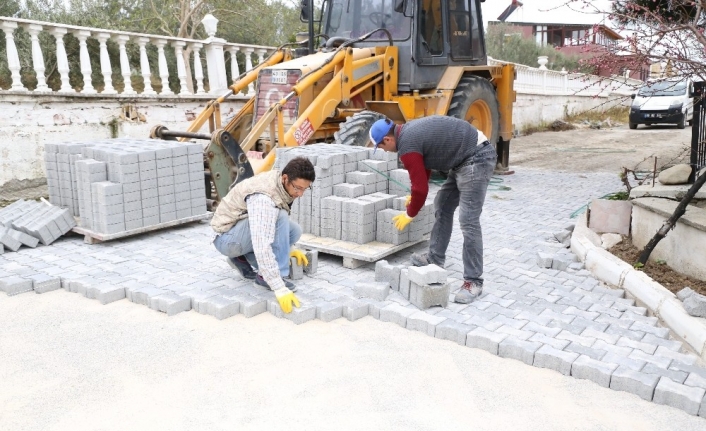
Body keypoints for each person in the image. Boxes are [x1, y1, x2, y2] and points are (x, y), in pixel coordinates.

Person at [368, 116, 496, 304]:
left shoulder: (407, 146)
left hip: (476, 158)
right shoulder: (407, 133)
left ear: (388, 140)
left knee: (468, 221)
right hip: (463, 158)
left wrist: (410, 213)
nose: (384, 151)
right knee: (442, 205)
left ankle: (473, 281)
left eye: (381, 147)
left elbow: (421, 188)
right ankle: (435, 258)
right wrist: (415, 196)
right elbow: (424, 165)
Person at [210, 157, 315, 313]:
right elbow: (262, 244)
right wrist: (278, 287)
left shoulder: (281, 183)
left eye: (305, 189)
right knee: (279, 217)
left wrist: (288, 247)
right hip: (227, 239)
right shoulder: (263, 198)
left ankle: (241, 258)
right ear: (285, 178)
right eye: (297, 188)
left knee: (294, 231)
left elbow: (277, 229)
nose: (300, 194)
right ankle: (265, 278)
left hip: (240, 231)